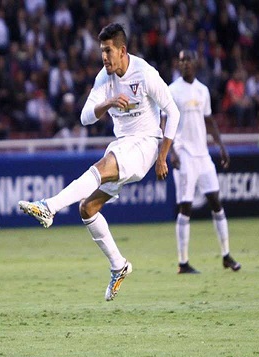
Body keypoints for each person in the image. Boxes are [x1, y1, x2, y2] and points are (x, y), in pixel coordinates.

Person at [18, 23, 180, 301]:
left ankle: (49, 207)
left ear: (122, 50)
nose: (104, 57)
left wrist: (163, 155)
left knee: (103, 166)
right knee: (88, 208)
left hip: (145, 145)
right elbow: (84, 117)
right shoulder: (104, 80)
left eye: (108, 51)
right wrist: (108, 103)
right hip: (122, 144)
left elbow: (173, 112)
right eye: (101, 51)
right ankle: (119, 266)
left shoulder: (145, 73)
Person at [166, 50, 242, 275]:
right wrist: (170, 151)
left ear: (195, 63)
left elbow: (208, 120)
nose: (185, 64)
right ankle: (183, 262)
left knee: (216, 203)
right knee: (186, 207)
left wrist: (221, 146)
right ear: (178, 64)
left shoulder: (203, 90)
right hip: (184, 153)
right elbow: (164, 121)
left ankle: (226, 255)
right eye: (181, 61)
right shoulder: (172, 91)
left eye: (188, 60)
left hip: (203, 154)